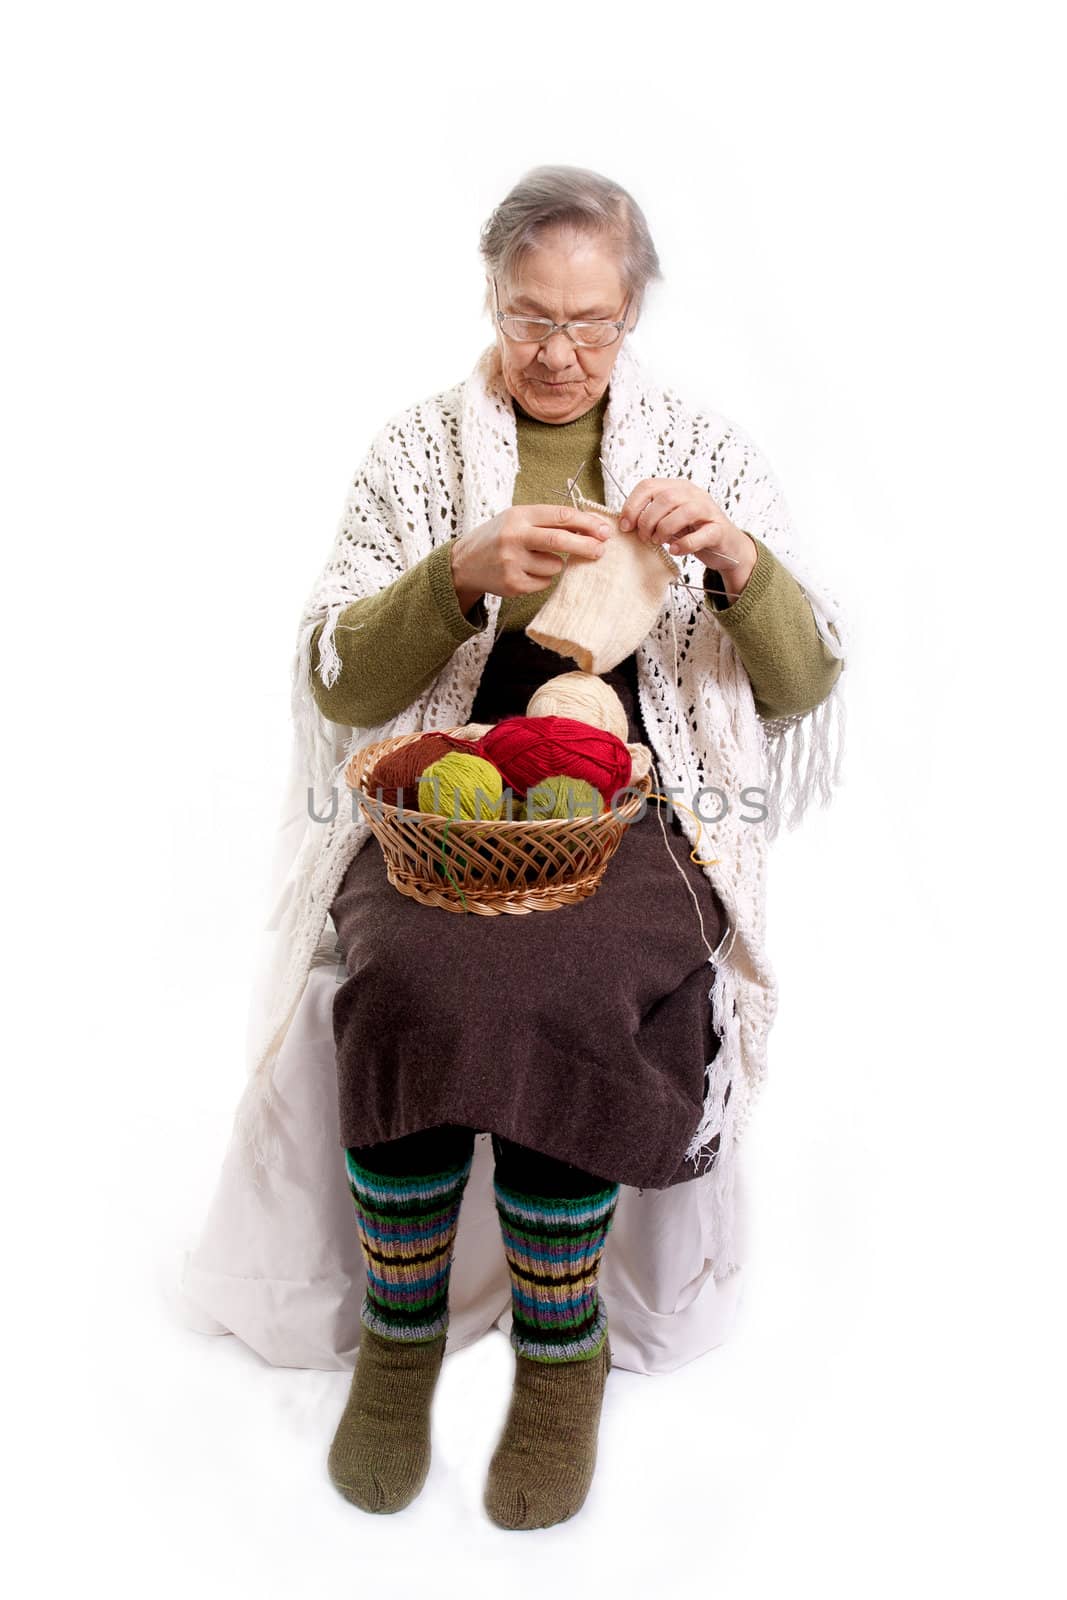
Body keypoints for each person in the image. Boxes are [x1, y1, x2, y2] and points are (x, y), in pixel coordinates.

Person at [279, 164, 848, 1530]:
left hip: (640, 817)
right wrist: (455, 575)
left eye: (590, 324)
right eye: (531, 317)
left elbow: (806, 681)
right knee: (409, 974)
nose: (558, 353)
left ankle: (560, 1356)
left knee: (577, 980)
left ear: (634, 308)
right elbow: (340, 680)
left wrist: (740, 563)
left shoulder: (702, 452)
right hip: (435, 812)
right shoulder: (419, 452)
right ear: (490, 297)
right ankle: (403, 1334)